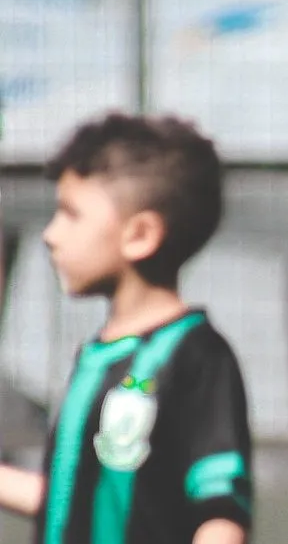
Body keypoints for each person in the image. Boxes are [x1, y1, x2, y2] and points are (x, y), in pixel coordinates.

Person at [0, 112, 254, 544]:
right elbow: (73, 498)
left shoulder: (195, 356)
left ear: (140, 234)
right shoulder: (96, 357)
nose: (50, 234)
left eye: (70, 214)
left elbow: (220, 511)